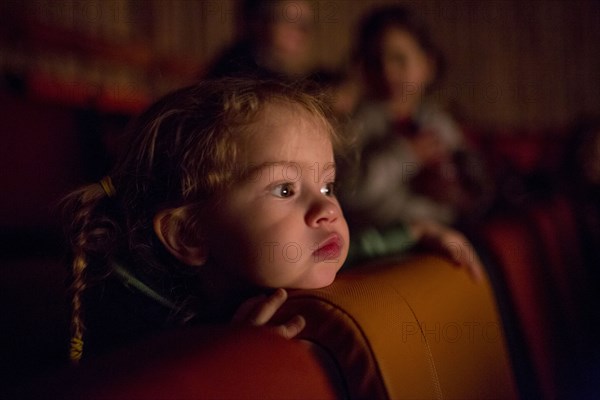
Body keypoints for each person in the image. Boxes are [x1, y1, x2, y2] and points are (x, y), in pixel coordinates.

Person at [62, 77, 481, 364]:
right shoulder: (139, 338)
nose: (328, 211)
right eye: (284, 190)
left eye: (328, 187)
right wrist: (224, 361)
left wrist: (412, 233)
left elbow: (352, 251)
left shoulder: (271, 257)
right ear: (188, 234)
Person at [339, 5, 492, 233]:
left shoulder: (439, 124)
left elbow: (475, 189)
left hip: (445, 232)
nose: (388, 72)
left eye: (399, 59)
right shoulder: (358, 125)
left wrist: (457, 192)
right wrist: (407, 155)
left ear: (427, 65)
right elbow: (350, 193)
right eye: (375, 62)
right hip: (387, 240)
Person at [203, 0, 315, 81]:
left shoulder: (304, 77)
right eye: (289, 20)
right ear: (259, 24)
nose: (301, 32)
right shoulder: (233, 72)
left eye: (305, 24)